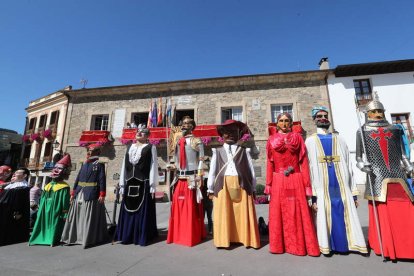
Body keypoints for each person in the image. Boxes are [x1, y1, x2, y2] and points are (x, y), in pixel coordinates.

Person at [356, 97, 414, 261]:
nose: (377, 114)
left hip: (399, 175)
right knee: (383, 211)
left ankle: (408, 245)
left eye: (379, 111)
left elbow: (403, 153)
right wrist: (363, 166)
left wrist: (409, 166)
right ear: (368, 114)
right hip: (377, 175)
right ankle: (387, 245)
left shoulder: (395, 129)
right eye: (373, 111)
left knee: (406, 208)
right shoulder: (362, 131)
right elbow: (359, 157)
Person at [306, 106, 367, 255]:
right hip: (322, 188)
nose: (323, 118)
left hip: (342, 186)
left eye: (325, 115)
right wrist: (312, 198)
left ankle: (351, 244)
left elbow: (348, 164)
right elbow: (308, 170)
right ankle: (328, 246)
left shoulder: (339, 139)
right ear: (314, 120)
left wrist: (353, 195)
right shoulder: (310, 141)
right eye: (319, 116)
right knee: (325, 214)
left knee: (344, 210)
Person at [265, 113, 320, 256]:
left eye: (287, 121)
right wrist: (268, 185)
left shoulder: (298, 139)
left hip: (295, 180)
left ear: (291, 123)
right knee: (278, 212)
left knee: (294, 210)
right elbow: (270, 164)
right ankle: (279, 245)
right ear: (277, 124)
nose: (284, 123)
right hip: (278, 181)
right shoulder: (271, 140)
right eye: (281, 121)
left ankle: (297, 245)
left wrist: (307, 187)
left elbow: (304, 164)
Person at [207, 119, 260, 249]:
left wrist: (253, 187)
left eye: (233, 132)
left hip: (242, 184)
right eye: (227, 132)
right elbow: (212, 171)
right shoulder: (217, 151)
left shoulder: (244, 151)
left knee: (242, 213)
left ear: (238, 134)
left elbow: (251, 171)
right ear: (222, 134)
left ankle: (245, 238)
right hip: (222, 184)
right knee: (224, 212)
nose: (230, 135)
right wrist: (210, 189)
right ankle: (225, 239)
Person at [166, 116, 206, 247]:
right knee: (177, 207)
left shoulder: (197, 141)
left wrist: (200, 176)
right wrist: (172, 165)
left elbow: (201, 160)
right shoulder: (178, 141)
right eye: (183, 123)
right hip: (180, 178)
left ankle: (190, 235)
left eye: (188, 123)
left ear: (193, 126)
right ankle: (178, 233)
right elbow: (176, 158)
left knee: (190, 208)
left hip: (191, 179)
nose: (185, 125)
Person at [115, 126, 159, 245]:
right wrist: (122, 183)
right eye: (138, 131)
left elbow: (153, 165)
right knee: (128, 208)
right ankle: (127, 234)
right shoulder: (130, 147)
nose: (139, 133)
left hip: (143, 183)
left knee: (141, 210)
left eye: (143, 132)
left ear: (147, 136)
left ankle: (140, 235)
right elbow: (124, 165)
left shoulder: (151, 147)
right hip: (129, 182)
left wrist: (153, 184)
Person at [61, 144, 109, 248]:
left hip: (91, 193)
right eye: (88, 150)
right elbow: (77, 179)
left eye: (91, 150)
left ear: (97, 152)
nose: (89, 152)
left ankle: (86, 238)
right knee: (77, 215)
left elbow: (102, 180)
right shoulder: (84, 164)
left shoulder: (99, 165)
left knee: (87, 217)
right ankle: (74, 237)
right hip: (79, 192)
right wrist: (73, 193)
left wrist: (102, 194)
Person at [29, 155, 72, 246]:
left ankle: (51, 239)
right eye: (55, 167)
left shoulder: (64, 187)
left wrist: (65, 213)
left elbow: (65, 202)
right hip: (45, 209)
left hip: (56, 209)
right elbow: (42, 199)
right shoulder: (47, 186)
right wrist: (40, 208)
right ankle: (40, 238)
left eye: (59, 168)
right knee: (43, 223)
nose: (56, 170)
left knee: (54, 224)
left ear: (64, 172)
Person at [0, 167, 30, 246]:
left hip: (11, 212)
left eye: (17, 173)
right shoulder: (10, 186)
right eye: (15, 172)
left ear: (24, 176)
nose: (14, 174)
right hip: (4, 210)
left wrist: (18, 212)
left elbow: (20, 202)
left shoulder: (23, 187)